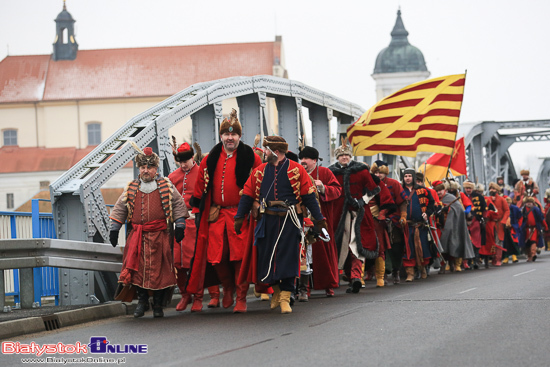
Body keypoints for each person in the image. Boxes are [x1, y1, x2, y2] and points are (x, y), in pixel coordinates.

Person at [235, 136, 326, 314]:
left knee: (288, 259)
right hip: (266, 220)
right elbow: (247, 194)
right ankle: (276, 292)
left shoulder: (297, 169)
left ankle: (285, 297)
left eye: (267, 150)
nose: (265, 153)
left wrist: (319, 219)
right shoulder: (260, 171)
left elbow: (308, 196)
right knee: (267, 258)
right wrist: (240, 216)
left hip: (290, 220)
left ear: (275, 152)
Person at [187, 109, 262, 313]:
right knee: (216, 256)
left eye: (234, 134)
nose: (230, 137)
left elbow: (262, 180)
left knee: (240, 256)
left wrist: (257, 204)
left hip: (241, 214)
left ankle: (241, 297)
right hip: (216, 215)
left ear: (239, 136)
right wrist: (196, 208)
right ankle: (227, 288)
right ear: (221, 136)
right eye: (227, 134)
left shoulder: (251, 157)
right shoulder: (209, 158)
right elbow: (200, 185)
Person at [110, 145, 189, 318]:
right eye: (143, 167)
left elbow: (177, 204)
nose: (146, 171)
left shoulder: (166, 186)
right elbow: (120, 208)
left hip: (160, 237)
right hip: (137, 238)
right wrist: (114, 229)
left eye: (149, 167)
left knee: (161, 272)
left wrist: (180, 224)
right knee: (137, 272)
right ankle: (142, 302)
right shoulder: (131, 187)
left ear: (155, 169)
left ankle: (158, 305)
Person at [329, 140, 393, 292]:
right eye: (341, 155)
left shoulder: (361, 171)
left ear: (350, 156)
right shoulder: (331, 172)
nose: (344, 157)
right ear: (337, 157)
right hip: (339, 215)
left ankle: (357, 276)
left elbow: (374, 189)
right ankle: (348, 277)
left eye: (346, 155)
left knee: (357, 245)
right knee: (341, 245)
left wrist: (362, 201)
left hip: (358, 214)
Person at [168, 139, 220, 312]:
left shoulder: (202, 173)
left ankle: (204, 296)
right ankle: (185, 295)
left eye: (186, 161)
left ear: (193, 158)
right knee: (178, 263)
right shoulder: (172, 177)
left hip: (197, 223)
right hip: (179, 225)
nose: (183, 165)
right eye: (180, 162)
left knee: (197, 262)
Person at [298, 146, 342, 299]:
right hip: (303, 219)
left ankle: (328, 285)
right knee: (304, 255)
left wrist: (323, 187)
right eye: (301, 159)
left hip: (321, 219)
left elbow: (337, 190)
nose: (303, 161)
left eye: (306, 159)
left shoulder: (325, 173)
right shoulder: (296, 172)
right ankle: (305, 288)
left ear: (314, 161)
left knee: (324, 253)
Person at [371, 161, 407, 284]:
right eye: (376, 172)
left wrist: (403, 215)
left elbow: (402, 201)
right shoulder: (369, 184)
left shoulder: (394, 184)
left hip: (393, 220)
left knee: (396, 247)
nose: (378, 174)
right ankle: (384, 273)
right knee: (381, 248)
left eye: (380, 172)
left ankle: (396, 270)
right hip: (377, 220)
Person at [401, 169, 435, 281]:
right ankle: (410, 273)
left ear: (414, 177)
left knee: (422, 248)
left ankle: (423, 270)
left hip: (420, 226)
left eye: (410, 176)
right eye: (405, 176)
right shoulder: (400, 190)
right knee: (408, 249)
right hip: (406, 226)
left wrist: (427, 213)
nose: (407, 178)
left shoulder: (423, 190)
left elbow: (431, 204)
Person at [435, 180, 475, 272]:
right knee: (441, 246)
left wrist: (448, 209)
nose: (438, 192)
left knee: (454, 243)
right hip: (440, 226)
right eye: (437, 191)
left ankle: (455, 264)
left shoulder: (454, 197)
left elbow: (461, 208)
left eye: (440, 190)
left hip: (453, 225)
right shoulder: (435, 198)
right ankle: (443, 265)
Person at [480, 182, 509, 267]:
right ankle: (491, 258)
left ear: (497, 190)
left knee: (498, 241)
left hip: (499, 223)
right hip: (490, 223)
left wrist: (504, 221)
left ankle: (498, 259)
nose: (492, 190)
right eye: (491, 189)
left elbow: (507, 211)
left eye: (494, 189)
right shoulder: (487, 199)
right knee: (490, 241)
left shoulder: (502, 199)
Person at [463, 180, 487, 269]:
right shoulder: (462, 196)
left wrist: (483, 219)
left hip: (476, 221)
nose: (468, 190)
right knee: (466, 241)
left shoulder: (479, 197)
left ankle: (475, 260)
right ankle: (467, 261)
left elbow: (484, 209)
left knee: (476, 242)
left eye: (469, 188)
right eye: (466, 188)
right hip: (464, 222)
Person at [518, 196, 548, 262]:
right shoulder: (522, 210)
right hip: (525, 229)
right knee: (527, 243)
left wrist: (545, 226)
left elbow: (541, 219)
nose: (529, 203)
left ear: (533, 202)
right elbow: (520, 219)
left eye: (530, 202)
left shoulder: (536, 209)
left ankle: (533, 254)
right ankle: (529, 256)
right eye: (527, 202)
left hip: (534, 229)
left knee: (533, 241)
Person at [502, 197, 521, 264]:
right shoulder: (502, 209)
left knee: (514, 242)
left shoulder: (515, 208)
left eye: (508, 203)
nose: (507, 204)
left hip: (513, 228)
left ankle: (514, 256)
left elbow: (520, 217)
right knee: (506, 243)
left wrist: (518, 225)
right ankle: (506, 257)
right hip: (505, 228)